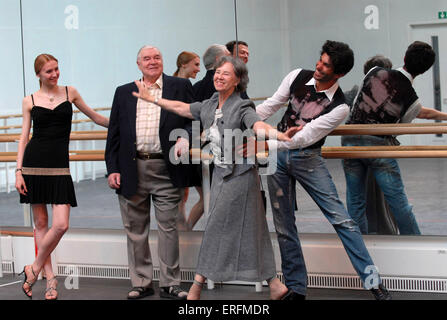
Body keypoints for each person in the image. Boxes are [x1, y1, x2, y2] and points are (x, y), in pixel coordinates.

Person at [132, 55, 300, 300]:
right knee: (254, 230)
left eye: (226, 73)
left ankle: (196, 287)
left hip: (241, 176)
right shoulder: (210, 104)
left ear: (238, 80)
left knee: (214, 228)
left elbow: (256, 125)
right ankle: (275, 285)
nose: (219, 77)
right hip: (222, 175)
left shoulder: (242, 106)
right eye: (218, 72)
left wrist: (280, 135)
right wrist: (153, 99)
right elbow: (182, 109)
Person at [255, 40, 391, 300]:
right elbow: (270, 105)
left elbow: (303, 138)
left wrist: (261, 143)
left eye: (326, 65)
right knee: (284, 226)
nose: (319, 66)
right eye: (320, 59)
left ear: (338, 73)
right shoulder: (297, 76)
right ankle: (296, 288)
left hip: (307, 158)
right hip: (277, 158)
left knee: (343, 220)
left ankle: (374, 283)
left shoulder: (339, 107)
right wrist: (243, 117)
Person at [15, 53, 109, 300]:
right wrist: (18, 171)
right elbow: (24, 138)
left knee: (61, 224)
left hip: (60, 167)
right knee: (41, 225)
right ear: (38, 75)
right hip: (34, 166)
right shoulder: (29, 100)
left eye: (57, 69)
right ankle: (50, 280)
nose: (55, 74)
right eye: (49, 71)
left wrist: (121, 124)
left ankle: (33, 268)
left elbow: (95, 117)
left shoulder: (71, 92)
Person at [105, 45, 194, 300]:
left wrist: (185, 138)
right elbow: (114, 134)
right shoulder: (124, 92)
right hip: (132, 169)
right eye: (147, 58)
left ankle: (171, 283)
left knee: (168, 227)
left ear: (163, 61)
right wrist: (112, 168)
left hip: (167, 168)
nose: (152, 61)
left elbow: (193, 119)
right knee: (135, 228)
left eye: (157, 57)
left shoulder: (179, 86)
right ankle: (141, 282)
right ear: (138, 64)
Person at [342, 41, 447, 235]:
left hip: (349, 139)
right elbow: (399, 127)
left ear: (405, 57)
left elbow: (357, 103)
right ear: (424, 71)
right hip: (377, 146)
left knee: (355, 200)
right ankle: (416, 245)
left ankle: (357, 243)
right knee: (398, 201)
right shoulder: (412, 99)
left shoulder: (374, 72)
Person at [344, 55, 398, 235]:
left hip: (353, 147)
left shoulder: (356, 90)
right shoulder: (389, 93)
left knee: (357, 197)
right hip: (376, 147)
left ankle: (360, 234)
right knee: (388, 194)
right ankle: (388, 231)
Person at [172, 51, 204, 231]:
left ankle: (185, 230)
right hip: (180, 142)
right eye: (196, 64)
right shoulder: (181, 85)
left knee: (182, 194)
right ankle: (184, 231)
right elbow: (192, 115)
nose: (198, 69)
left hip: (184, 141)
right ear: (184, 64)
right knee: (180, 194)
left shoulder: (182, 85)